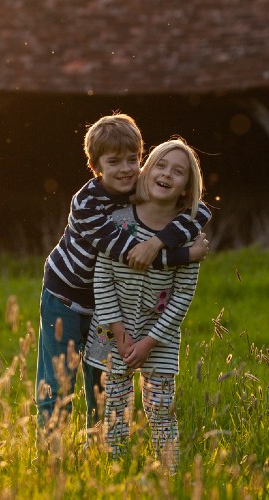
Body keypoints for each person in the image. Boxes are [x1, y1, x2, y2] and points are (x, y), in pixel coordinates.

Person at [36, 114, 211, 440]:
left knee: (101, 385)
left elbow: (197, 210)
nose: (126, 169)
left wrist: (160, 239)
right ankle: (50, 458)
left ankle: (100, 454)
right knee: (58, 382)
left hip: (106, 305)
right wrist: (182, 255)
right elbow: (128, 252)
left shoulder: (139, 188)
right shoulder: (86, 203)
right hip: (66, 297)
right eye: (114, 162)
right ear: (95, 165)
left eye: (133, 159)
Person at [83, 138, 206, 474]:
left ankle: (169, 476)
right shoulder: (118, 220)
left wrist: (150, 340)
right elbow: (103, 278)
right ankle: (115, 472)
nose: (167, 174)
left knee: (160, 411)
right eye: (161, 165)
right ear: (147, 170)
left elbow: (183, 295)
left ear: (185, 187)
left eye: (178, 172)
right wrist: (119, 333)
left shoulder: (187, 236)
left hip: (159, 339)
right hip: (114, 334)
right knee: (114, 408)